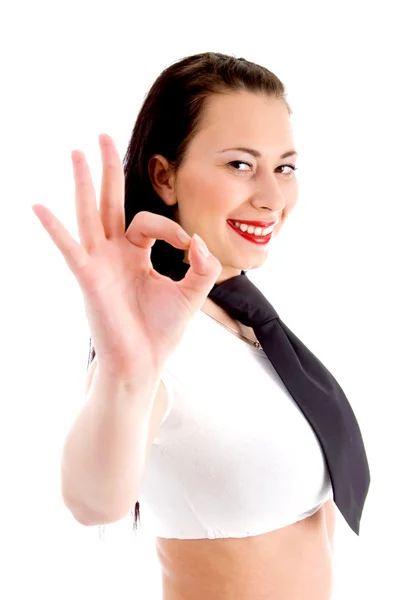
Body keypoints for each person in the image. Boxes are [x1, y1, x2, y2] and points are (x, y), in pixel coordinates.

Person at [33, 52, 337, 599]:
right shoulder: (158, 349)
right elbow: (92, 500)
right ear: (163, 175)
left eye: (284, 167)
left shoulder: (242, 321)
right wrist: (126, 371)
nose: (272, 199)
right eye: (240, 165)